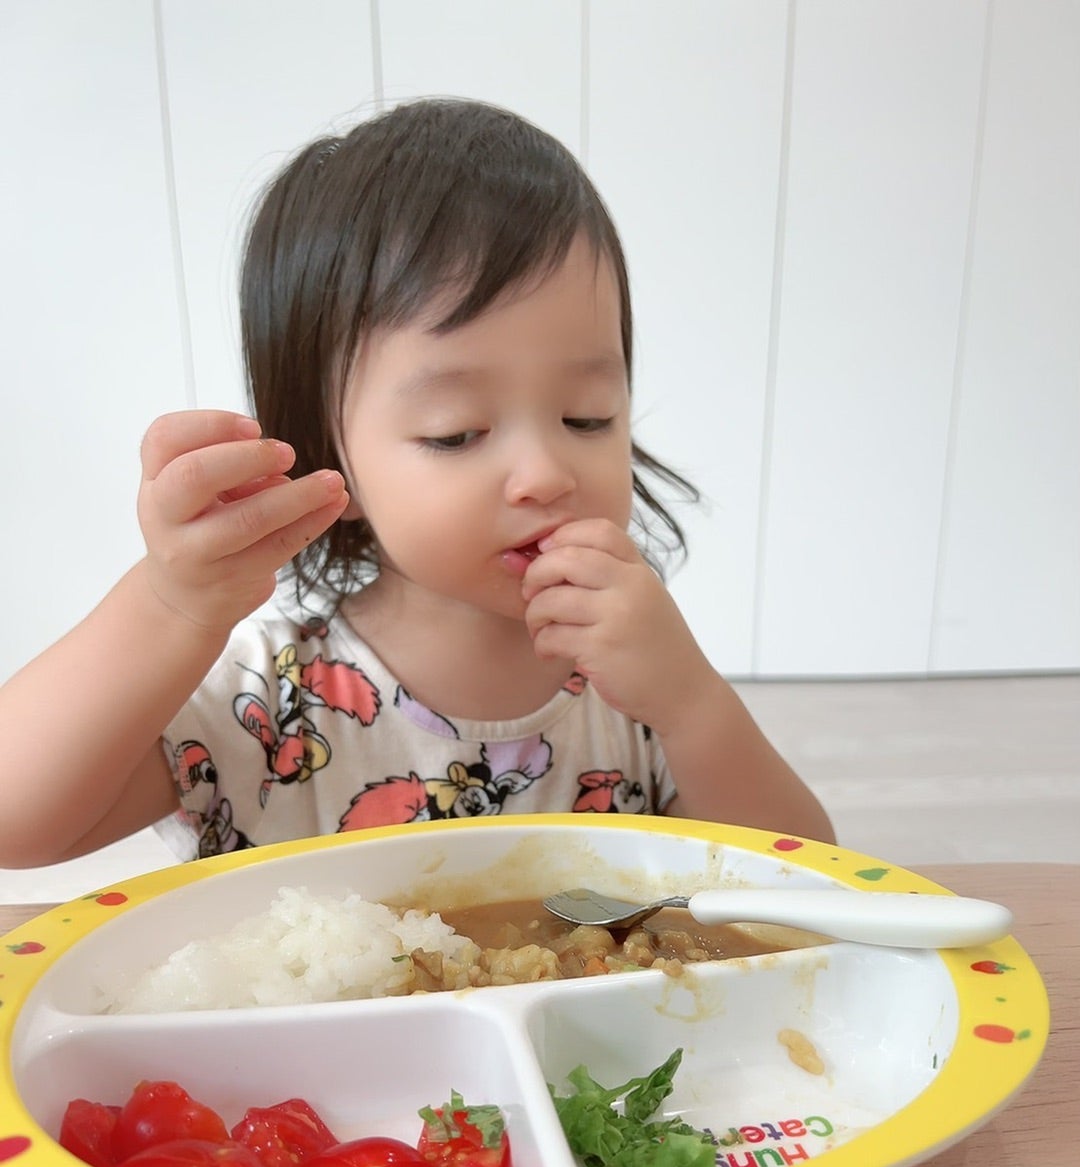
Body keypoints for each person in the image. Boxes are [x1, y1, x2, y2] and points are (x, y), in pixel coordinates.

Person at [0, 98, 833, 869]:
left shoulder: (632, 686)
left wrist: (692, 703)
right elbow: (16, 822)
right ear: (331, 459)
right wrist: (170, 605)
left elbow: (806, 878)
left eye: (588, 417)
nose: (546, 473)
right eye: (456, 433)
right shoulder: (276, 701)